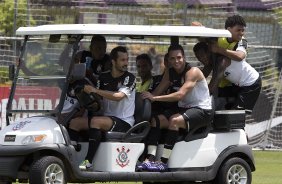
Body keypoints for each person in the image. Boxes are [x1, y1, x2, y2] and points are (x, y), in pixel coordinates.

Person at [138, 44, 213, 172]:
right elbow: (157, 91)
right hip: (184, 109)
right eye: (172, 58)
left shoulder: (193, 72)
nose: (176, 61)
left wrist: (155, 98)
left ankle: (163, 162)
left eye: (179, 57)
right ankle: (150, 159)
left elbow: (180, 95)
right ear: (169, 60)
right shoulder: (170, 72)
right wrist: (144, 98)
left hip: (202, 110)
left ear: (184, 57)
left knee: (174, 120)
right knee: (156, 120)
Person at [77, 46, 136, 170]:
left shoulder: (129, 78)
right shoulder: (103, 77)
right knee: (74, 122)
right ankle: (71, 159)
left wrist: (94, 90)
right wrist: (86, 98)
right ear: (113, 62)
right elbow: (98, 100)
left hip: (124, 121)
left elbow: (119, 96)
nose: (126, 63)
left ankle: (88, 161)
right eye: (122, 60)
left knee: (95, 121)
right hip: (107, 119)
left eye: (127, 60)